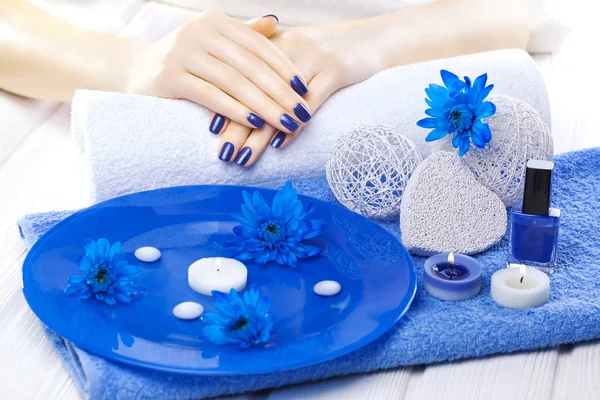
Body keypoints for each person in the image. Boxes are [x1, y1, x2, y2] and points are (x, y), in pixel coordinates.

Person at [0, 0, 529, 166]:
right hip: (71, 58)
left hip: (398, 61)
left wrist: (371, 42)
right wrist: (126, 66)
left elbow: (529, 12)